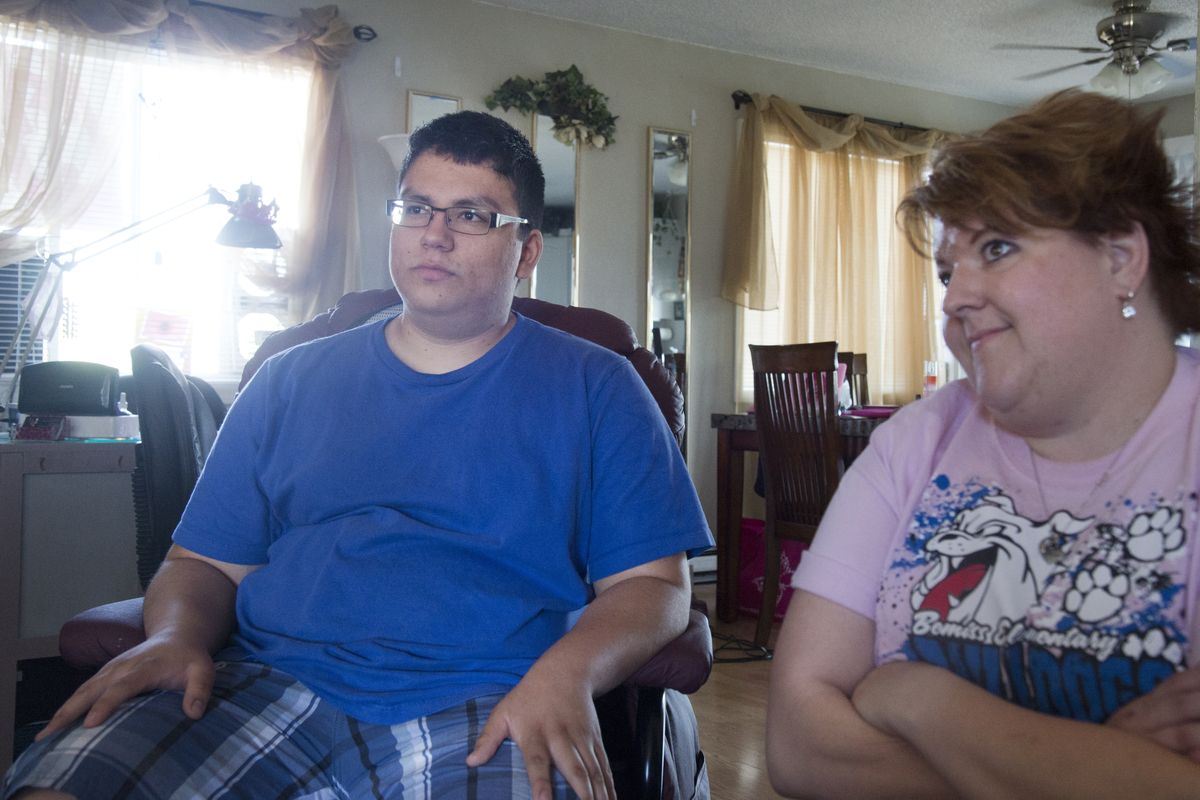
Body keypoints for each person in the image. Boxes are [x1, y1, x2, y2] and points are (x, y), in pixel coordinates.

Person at [4, 111, 712, 800]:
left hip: (490, 696)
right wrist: (175, 636)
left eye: (471, 216)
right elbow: (203, 565)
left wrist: (568, 676)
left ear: (526, 250)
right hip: (260, 682)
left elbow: (654, 588)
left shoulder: (597, 386)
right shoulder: (290, 379)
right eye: (415, 209)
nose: (434, 234)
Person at [766, 89, 1200, 798]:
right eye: (946, 271)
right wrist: (1091, 763)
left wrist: (910, 696)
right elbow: (796, 747)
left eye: (997, 248)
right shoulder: (917, 442)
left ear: (1122, 257)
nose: (953, 297)